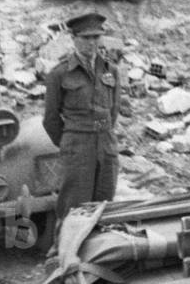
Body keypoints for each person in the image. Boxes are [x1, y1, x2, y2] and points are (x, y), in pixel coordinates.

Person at [42, 13, 121, 230]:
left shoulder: (111, 70)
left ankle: (95, 253)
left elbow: (113, 111)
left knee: (105, 204)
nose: (92, 43)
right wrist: (71, 142)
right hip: (77, 146)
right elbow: (50, 119)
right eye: (86, 38)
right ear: (73, 38)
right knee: (73, 204)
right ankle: (61, 254)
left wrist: (104, 135)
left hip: (106, 144)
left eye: (96, 37)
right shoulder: (59, 74)